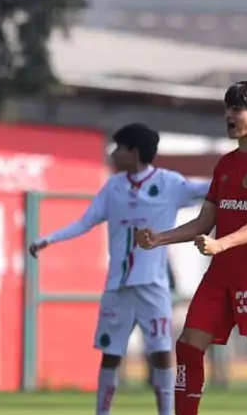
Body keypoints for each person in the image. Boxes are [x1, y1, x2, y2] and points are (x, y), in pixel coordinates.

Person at [28, 123, 210, 415]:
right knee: (111, 354)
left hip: (153, 285)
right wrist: (48, 239)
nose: (113, 153)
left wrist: (245, 178)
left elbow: (209, 190)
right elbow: (85, 221)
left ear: (133, 152)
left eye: (119, 148)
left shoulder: (169, 183)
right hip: (118, 287)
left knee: (161, 352)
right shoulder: (113, 187)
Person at [136, 81, 247, 415]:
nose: (229, 116)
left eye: (237, 109)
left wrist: (220, 244)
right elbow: (205, 221)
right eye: (228, 108)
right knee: (189, 345)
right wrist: (159, 239)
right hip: (221, 274)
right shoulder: (226, 164)